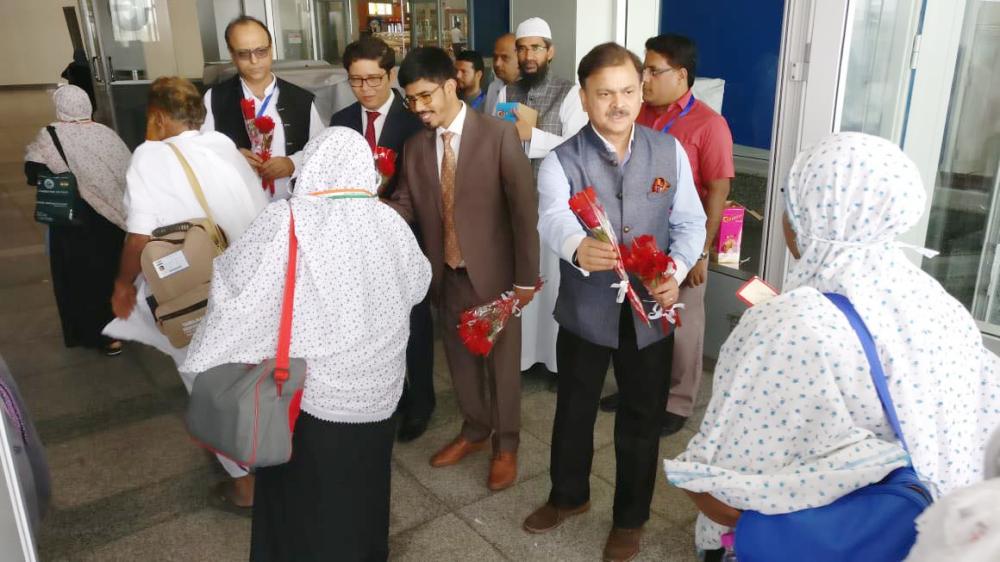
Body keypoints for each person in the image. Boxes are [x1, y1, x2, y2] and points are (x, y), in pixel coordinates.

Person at [663, 132, 1000, 553]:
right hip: (933, 534)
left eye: (793, 197)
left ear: (810, 214)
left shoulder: (790, 325)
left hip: (829, 543)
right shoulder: (940, 304)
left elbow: (722, 490)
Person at [182, 127, 431, 562]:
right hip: (379, 392)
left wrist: (209, 354)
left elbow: (238, 290)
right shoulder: (389, 220)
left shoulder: (288, 219)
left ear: (312, 164)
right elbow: (418, 284)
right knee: (365, 489)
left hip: (309, 397)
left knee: (303, 499)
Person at [523, 43, 706, 562]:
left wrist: (673, 268)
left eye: (629, 90)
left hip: (649, 313)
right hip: (587, 310)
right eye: (605, 93)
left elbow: (690, 221)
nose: (619, 103)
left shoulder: (668, 152)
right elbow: (553, 216)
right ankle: (568, 497)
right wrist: (576, 245)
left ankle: (630, 518)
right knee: (574, 410)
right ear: (584, 96)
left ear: (641, 90)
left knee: (641, 419)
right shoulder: (562, 159)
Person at [106, 76, 268, 511]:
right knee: (255, 372)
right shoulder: (221, 145)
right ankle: (272, 455)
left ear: (157, 117)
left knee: (207, 378)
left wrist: (123, 285)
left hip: (196, 292)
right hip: (253, 281)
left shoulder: (149, 156)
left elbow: (139, 238)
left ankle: (245, 485)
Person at [387, 47, 539, 492]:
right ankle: (474, 430)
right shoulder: (415, 147)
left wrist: (525, 280)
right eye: (410, 100)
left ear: (451, 84)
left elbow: (522, 213)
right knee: (459, 363)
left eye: (424, 96)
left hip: (496, 277)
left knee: (503, 368)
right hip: (446, 275)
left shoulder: (497, 136)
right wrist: (368, 211)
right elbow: (406, 205)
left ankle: (506, 445)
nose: (418, 108)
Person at [599, 34, 735, 437]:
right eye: (643, 71)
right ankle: (635, 389)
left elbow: (719, 193)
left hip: (681, 244)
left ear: (681, 74)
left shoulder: (708, 124)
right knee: (633, 319)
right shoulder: (638, 116)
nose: (645, 79)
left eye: (652, 71)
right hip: (634, 240)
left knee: (682, 323)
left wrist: (700, 255)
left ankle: (678, 401)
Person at [329, 35, 434, 443]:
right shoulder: (340, 121)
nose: (366, 89)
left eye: (374, 79)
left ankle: (422, 402)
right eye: (356, 81)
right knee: (374, 327)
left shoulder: (414, 122)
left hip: (407, 238)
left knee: (415, 324)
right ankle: (393, 395)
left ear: (391, 75)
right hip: (357, 244)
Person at [507, 17, 589, 378]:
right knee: (522, 279)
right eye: (522, 48)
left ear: (550, 51)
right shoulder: (505, 92)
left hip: (556, 208)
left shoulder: (570, 93)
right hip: (516, 206)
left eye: (535, 47)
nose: (528, 55)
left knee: (554, 283)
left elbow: (580, 149)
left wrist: (532, 137)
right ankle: (524, 359)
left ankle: (556, 364)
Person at [24, 85, 129, 356]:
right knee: (113, 272)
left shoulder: (50, 135)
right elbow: (127, 171)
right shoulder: (107, 134)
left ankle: (100, 336)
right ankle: (125, 327)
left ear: (61, 108)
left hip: (75, 222)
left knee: (82, 279)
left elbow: (33, 171)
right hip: (113, 221)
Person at [202, 16, 324, 200]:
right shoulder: (215, 98)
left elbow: (321, 149)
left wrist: (292, 163)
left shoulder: (300, 98)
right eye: (243, 53)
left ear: (271, 48)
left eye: (261, 51)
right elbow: (201, 151)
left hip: (292, 205)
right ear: (231, 54)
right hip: (238, 205)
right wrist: (231, 156)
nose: (254, 60)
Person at [484, 33, 519, 117]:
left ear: (520, 59)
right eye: (495, 57)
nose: (497, 64)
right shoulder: (493, 87)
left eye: (505, 58)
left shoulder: (531, 92)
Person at [61, 49, 96, 113]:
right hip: (89, 90)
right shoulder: (89, 65)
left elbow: (63, 74)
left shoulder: (72, 65)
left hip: (76, 91)